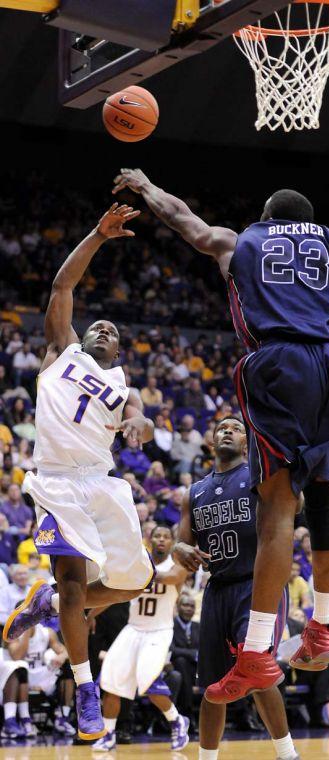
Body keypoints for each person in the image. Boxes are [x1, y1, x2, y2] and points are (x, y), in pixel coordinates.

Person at [113, 168, 329, 701]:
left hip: (278, 365)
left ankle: (254, 655)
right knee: (322, 500)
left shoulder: (242, 241)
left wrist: (147, 185)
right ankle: (322, 627)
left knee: (275, 506)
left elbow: (186, 223)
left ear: (267, 219)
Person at [2, 203, 155, 740]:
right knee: (72, 584)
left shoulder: (123, 385)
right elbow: (62, 286)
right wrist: (97, 234)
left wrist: (141, 425)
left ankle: (41, 603)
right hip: (57, 483)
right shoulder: (59, 352)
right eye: (98, 324)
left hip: (102, 482)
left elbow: (140, 417)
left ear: (117, 351)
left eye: (112, 330)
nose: (103, 326)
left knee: (134, 584)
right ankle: (85, 686)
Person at [174, 416, 298, 760]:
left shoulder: (260, 474)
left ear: (247, 443)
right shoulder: (194, 492)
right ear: (212, 442)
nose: (227, 431)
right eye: (221, 428)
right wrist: (179, 548)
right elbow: (180, 544)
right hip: (217, 589)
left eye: (236, 427)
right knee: (212, 686)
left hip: (258, 584)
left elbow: (294, 507)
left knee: (257, 667)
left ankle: (288, 754)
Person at [92, 526, 189, 752]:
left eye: (166, 537)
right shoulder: (138, 564)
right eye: (157, 536)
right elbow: (115, 593)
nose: (161, 540)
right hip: (133, 629)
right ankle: (108, 734)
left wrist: (135, 572)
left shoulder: (177, 566)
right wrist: (90, 615)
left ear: (172, 541)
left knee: (147, 681)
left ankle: (176, 720)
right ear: (150, 539)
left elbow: (170, 578)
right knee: (110, 681)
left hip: (159, 631)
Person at [7, 623, 76, 736]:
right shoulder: (12, 634)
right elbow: (17, 657)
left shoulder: (47, 632)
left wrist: (62, 656)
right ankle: (25, 720)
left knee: (67, 668)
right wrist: (25, 635)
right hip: (19, 677)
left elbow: (65, 651)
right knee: (20, 666)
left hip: (41, 675)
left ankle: (62, 717)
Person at [170, 594, 200, 725]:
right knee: (181, 661)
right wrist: (193, 654)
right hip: (175, 668)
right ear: (177, 607)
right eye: (185, 605)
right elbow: (171, 650)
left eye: (192, 606)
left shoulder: (199, 626)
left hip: (196, 670)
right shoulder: (169, 625)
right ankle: (188, 713)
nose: (189, 608)